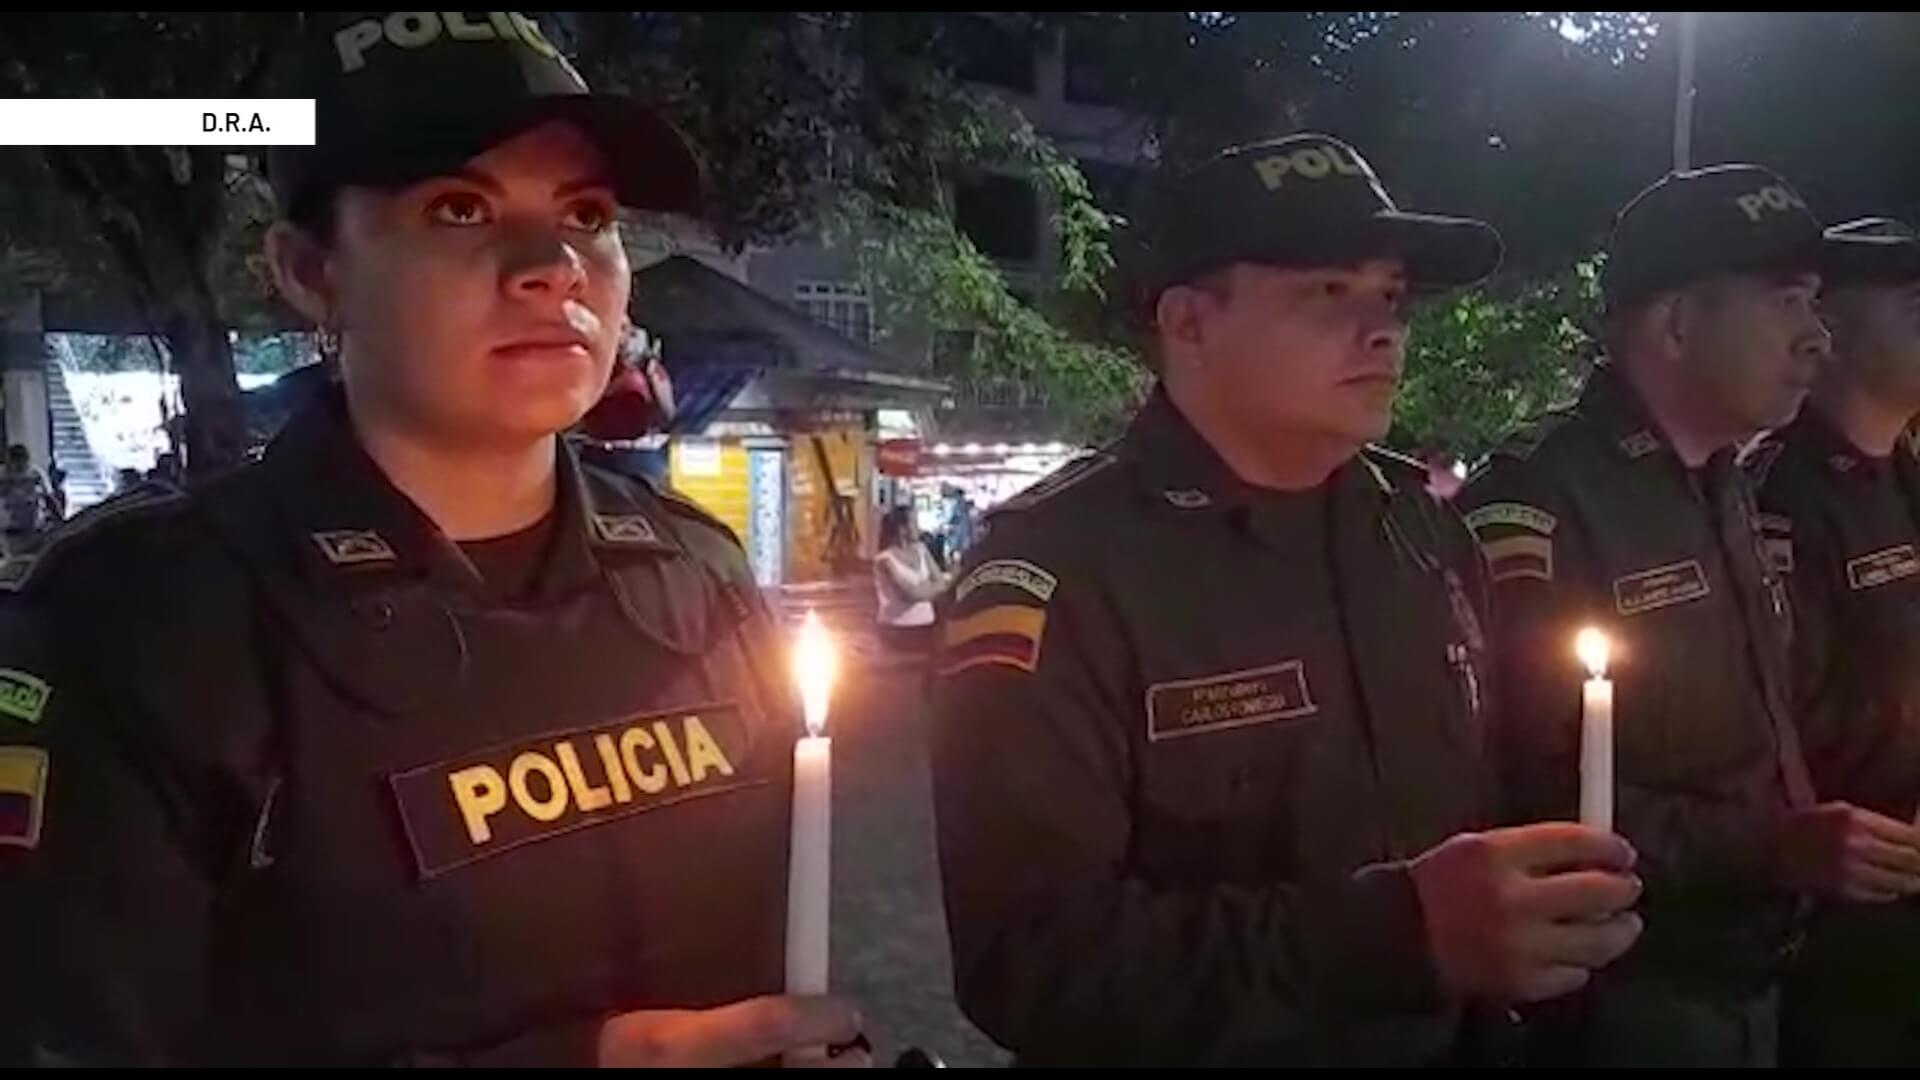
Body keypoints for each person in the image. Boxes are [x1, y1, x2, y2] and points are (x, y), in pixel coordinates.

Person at [0, 12, 866, 1066]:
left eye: (587, 214)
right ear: (311, 272)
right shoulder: (140, 628)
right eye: (461, 208)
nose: (552, 266)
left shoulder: (701, 574)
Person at [930, 133, 1644, 1067]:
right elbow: (1031, 964)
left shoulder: (1423, 532)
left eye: (1390, 296)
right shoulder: (1059, 574)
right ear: (1188, 324)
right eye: (1328, 293)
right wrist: (1398, 933)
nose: (1383, 329)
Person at [1457, 166, 1917, 1066]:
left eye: (1818, 305)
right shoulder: (1543, 498)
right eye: (1787, 303)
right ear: (1675, 324)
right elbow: (1522, 789)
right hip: (1626, 1004)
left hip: (1758, 981)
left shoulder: (1722, 488)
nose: (1817, 338)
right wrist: (1773, 845)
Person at [1751, 217, 1920, 1065]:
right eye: (1916, 301)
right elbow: (1776, 719)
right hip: (1846, 917)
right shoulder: (1779, 493)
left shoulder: (1906, 469)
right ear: (1836, 329)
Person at [872, 505, 947, 655]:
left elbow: (942, 583)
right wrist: (929, 587)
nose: (919, 528)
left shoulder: (921, 549)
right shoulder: (885, 560)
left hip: (926, 626)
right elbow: (909, 594)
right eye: (915, 523)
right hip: (896, 631)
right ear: (902, 529)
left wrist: (922, 589)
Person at [0, 445, 53, 556]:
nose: (19, 465)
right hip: (11, 529)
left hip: (35, 527)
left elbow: (49, 497)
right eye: (15, 460)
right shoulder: (1, 475)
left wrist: (59, 519)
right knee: (15, 561)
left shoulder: (36, 473)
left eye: (22, 460)